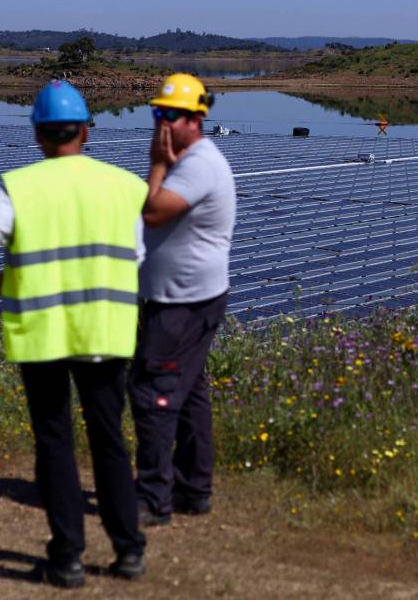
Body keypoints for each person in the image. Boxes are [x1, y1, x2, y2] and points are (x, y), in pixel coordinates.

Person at [0, 80, 147, 589]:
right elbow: (137, 257)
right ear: (86, 131)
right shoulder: (125, 186)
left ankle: (67, 559)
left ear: (38, 135)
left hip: (42, 335)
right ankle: (129, 549)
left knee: (55, 442)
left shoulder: (20, 187)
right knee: (110, 441)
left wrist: (0, 283)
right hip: (105, 333)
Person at [131, 73, 236, 526]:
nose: (163, 123)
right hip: (184, 298)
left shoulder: (197, 165)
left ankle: (153, 497)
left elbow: (152, 213)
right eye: (159, 112)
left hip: (184, 303)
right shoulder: (188, 161)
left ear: (196, 119)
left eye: (172, 115)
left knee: (152, 390)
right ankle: (194, 489)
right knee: (190, 393)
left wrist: (156, 164)